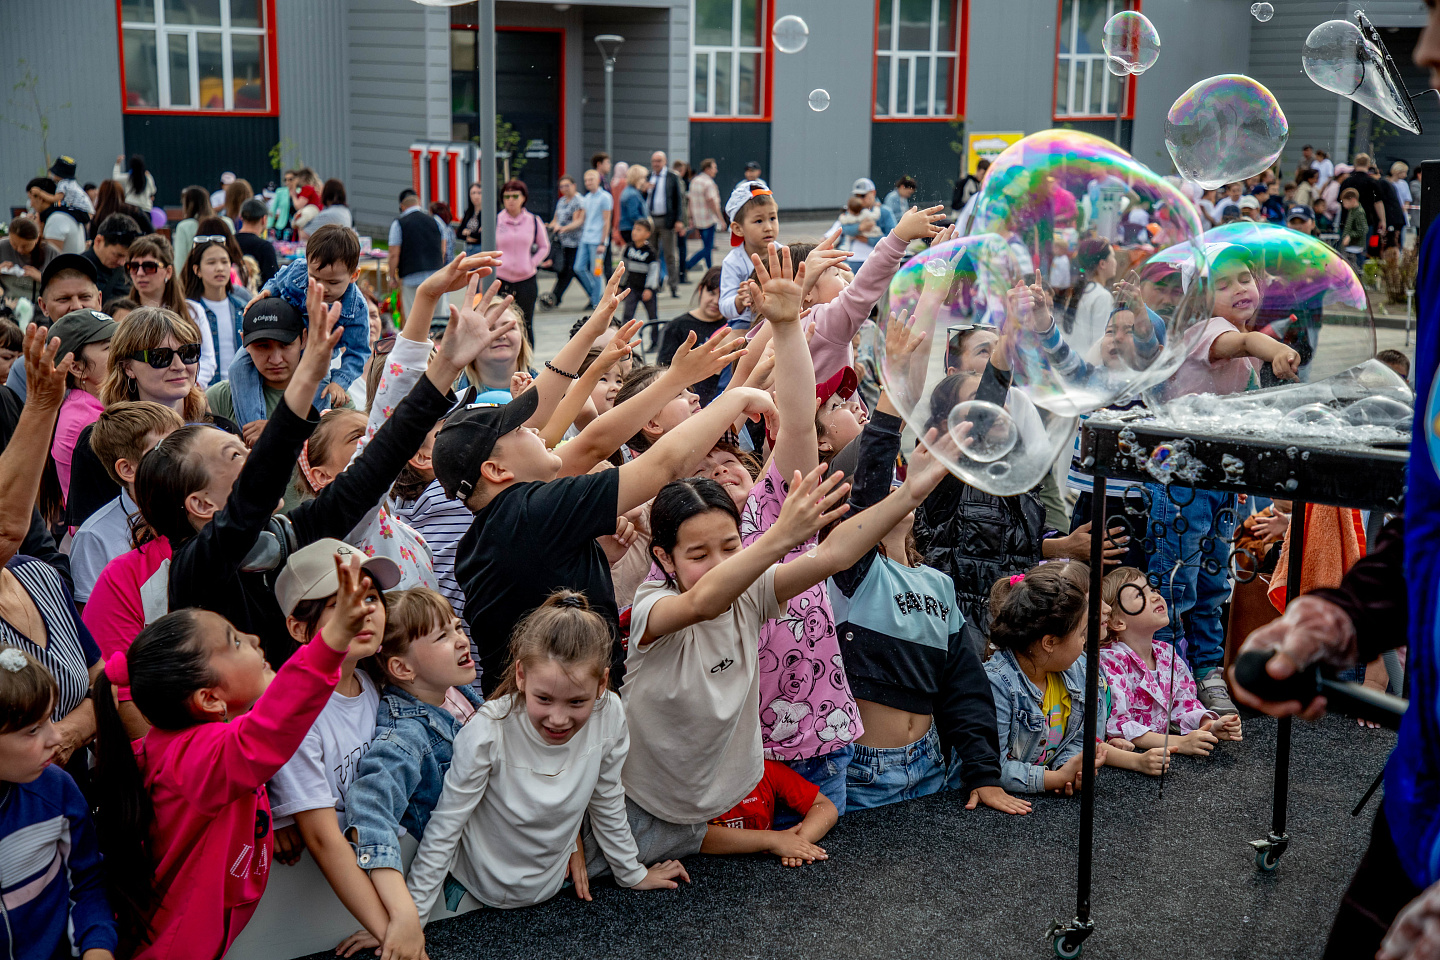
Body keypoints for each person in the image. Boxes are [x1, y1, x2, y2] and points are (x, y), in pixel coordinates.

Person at [90, 554, 374, 958]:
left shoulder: (182, 746)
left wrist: (276, 815)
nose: (256, 639)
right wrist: (331, 643)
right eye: (236, 641)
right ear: (209, 699)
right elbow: (271, 728)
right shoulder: (197, 758)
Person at [403, 591, 688, 943]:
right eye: (544, 699)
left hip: (552, 886)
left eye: (577, 702)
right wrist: (409, 919)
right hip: (482, 887)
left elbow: (607, 797)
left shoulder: (611, 712)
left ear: (601, 682)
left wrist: (631, 873)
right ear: (521, 675)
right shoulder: (487, 731)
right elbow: (447, 824)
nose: (558, 718)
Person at [828, 344, 1028, 815]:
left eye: (903, 485)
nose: (898, 489)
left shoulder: (937, 584)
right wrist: (893, 400)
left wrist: (984, 773)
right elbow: (867, 493)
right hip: (863, 774)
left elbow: (965, 687)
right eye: (888, 487)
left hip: (932, 765)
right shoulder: (852, 575)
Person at [1152, 243, 1300, 715]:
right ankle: (1169, 673)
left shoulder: (1234, 329)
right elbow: (1243, 344)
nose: (1239, 288)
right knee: (1179, 580)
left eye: (1244, 279)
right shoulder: (1206, 331)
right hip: (1183, 478)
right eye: (1222, 284)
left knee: (1215, 578)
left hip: (1217, 480)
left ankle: (1206, 670)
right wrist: (1274, 348)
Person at [265, 539, 398, 947]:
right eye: (341, 602)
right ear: (297, 627)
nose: (365, 610)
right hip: (307, 919)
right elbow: (322, 838)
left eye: (372, 596)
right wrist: (394, 931)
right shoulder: (296, 710)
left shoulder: (371, 680)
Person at [344, 587, 482, 945]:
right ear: (403, 668)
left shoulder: (455, 691)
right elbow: (371, 810)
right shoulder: (405, 735)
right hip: (456, 867)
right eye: (442, 636)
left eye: (456, 627)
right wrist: (396, 916)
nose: (460, 639)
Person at [0, 326, 105, 784]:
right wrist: (42, 405)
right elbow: (5, 528)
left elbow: (102, 678)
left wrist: (66, 735)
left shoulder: (39, 575)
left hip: (72, 801)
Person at [0, 645, 117, 960]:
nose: (55, 738)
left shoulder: (56, 789)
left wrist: (98, 945)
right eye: (34, 729)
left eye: (50, 719)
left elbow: (88, 881)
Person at [984, 561, 1110, 795]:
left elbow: (1080, 738)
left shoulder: (1078, 670)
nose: (1085, 642)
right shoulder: (997, 684)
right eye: (1082, 634)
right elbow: (989, 767)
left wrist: (1070, 769)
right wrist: (1053, 778)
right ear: (1049, 642)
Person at [1098, 567, 1242, 764]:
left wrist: (1210, 725)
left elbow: (1185, 703)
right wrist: (1179, 743)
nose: (1156, 596)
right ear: (1117, 622)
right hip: (1132, 759)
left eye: (1153, 590)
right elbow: (1118, 725)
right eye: (1140, 594)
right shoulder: (1111, 660)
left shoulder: (1166, 652)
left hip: (1160, 754)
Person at [238, 224, 370, 420]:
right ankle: (253, 424)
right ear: (307, 265)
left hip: (317, 355)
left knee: (321, 388)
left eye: (333, 282)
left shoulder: (356, 309)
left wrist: (340, 382)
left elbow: (358, 352)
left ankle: (310, 434)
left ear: (354, 275)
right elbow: (277, 281)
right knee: (238, 367)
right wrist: (267, 292)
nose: (321, 288)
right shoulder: (298, 270)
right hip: (280, 339)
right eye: (314, 278)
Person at [69, 402, 183, 607]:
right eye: (164, 450)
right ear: (127, 469)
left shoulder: (195, 511)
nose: (182, 457)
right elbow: (92, 620)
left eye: (183, 444)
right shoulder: (94, 536)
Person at [699, 759, 838, 867]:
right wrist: (773, 840)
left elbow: (825, 807)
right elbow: (691, 835)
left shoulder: (766, 769)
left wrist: (798, 843)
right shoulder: (694, 781)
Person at [6, 253, 105, 401]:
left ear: (99, 300)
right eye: (63, 299)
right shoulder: (27, 368)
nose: (77, 306)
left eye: (85, 297)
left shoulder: (123, 355)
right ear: (43, 306)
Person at [46, 309, 116, 508]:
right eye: (110, 347)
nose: (122, 351)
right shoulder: (88, 422)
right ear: (77, 368)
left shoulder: (92, 405)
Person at [124, 236, 218, 385]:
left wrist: (189, 386)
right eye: (133, 267)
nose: (140, 273)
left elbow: (207, 359)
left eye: (149, 266)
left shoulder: (192, 311)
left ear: (168, 271)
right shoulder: (122, 314)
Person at [182, 232, 250, 381]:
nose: (219, 268)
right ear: (197, 270)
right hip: (206, 390)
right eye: (211, 263)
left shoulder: (242, 307)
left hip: (239, 388)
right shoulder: (188, 311)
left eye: (224, 262)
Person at [658, 266, 726, 404]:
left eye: (723, 295)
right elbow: (662, 371)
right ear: (700, 289)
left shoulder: (731, 328)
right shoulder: (677, 327)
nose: (715, 301)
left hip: (722, 399)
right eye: (711, 292)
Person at [719, 179, 778, 329]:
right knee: (738, 343)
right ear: (738, 229)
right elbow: (724, 305)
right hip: (746, 323)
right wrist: (739, 300)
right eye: (759, 221)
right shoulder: (733, 262)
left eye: (773, 218)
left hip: (781, 317)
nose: (768, 227)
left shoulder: (785, 253)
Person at [492, 179, 549, 336]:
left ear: (524, 197)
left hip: (526, 278)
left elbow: (544, 246)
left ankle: (527, 359)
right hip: (501, 278)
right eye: (507, 196)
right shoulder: (496, 220)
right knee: (501, 321)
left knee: (526, 323)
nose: (510, 200)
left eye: (515, 196)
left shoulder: (533, 221)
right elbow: (488, 248)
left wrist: (532, 263)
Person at [388, 189, 448, 325]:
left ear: (402, 207)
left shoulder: (398, 224)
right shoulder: (436, 221)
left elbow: (393, 254)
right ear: (419, 203)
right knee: (438, 320)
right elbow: (443, 250)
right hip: (436, 276)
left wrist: (392, 277)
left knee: (413, 320)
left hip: (411, 278)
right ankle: (438, 345)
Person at [1055, 237, 1117, 353]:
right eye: (1113, 257)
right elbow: (1100, 343)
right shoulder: (1102, 296)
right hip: (1088, 365)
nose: (1115, 261)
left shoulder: (1078, 291)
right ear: (1102, 264)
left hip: (1075, 361)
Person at [540, 174, 582, 310]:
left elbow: (577, 221)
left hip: (575, 242)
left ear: (574, 185)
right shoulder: (561, 201)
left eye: (567, 185)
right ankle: (593, 294)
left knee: (569, 271)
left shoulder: (578, 201)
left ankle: (555, 297)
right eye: (562, 186)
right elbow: (555, 219)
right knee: (566, 270)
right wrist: (550, 227)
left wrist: (563, 228)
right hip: (562, 242)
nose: (564, 189)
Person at [575, 168, 614, 309]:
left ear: (598, 180)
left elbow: (607, 221)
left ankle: (596, 301)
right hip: (585, 239)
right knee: (578, 268)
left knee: (596, 271)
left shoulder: (605, 197)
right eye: (586, 180)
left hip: (598, 240)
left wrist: (603, 242)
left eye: (591, 179)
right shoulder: (587, 198)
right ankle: (596, 294)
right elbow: (582, 220)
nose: (588, 182)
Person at [648, 151, 685, 297]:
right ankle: (654, 284)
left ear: (665, 162)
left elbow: (679, 200)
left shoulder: (671, 177)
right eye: (654, 161)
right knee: (652, 254)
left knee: (670, 255)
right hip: (651, 220)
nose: (656, 164)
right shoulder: (648, 177)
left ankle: (674, 286)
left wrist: (679, 220)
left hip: (667, 220)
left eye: (659, 161)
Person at [85, 213, 143, 301]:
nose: (122, 262)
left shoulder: (132, 272)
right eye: (117, 255)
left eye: (127, 257)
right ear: (98, 241)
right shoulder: (77, 271)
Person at [0, 216, 57, 305]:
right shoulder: (2, 247)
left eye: (25, 246)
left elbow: (64, 286)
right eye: (14, 244)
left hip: (41, 310)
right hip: (9, 307)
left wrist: (41, 277)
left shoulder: (51, 253)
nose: (19, 250)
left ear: (37, 239)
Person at [27, 178, 85, 254]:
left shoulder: (56, 220)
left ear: (40, 198)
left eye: (30, 199)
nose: (31, 204)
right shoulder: (65, 213)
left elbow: (48, 258)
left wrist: (37, 232)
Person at [620, 216, 661, 324]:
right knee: (627, 316)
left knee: (653, 317)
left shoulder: (650, 252)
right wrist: (620, 285)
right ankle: (623, 340)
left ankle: (655, 339)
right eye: (634, 229)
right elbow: (623, 269)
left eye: (639, 230)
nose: (634, 232)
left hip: (646, 288)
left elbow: (653, 272)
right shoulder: (628, 249)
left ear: (647, 234)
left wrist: (649, 288)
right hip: (632, 288)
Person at [686, 158, 723, 275]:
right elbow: (712, 201)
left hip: (698, 219)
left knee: (707, 246)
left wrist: (690, 217)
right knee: (708, 247)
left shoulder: (694, 181)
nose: (716, 171)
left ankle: (709, 268)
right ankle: (688, 264)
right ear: (707, 169)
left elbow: (690, 201)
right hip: (708, 219)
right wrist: (721, 219)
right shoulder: (708, 183)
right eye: (714, 168)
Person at [1341, 154, 1387, 250]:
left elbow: (1340, 201)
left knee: (1344, 253)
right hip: (1367, 221)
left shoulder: (1347, 181)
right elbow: (1378, 203)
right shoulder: (1372, 182)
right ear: (1368, 165)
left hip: (1347, 222)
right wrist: (1382, 220)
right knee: (1361, 251)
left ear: (1355, 164)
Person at [88, 180, 151, 245]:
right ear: (121, 193)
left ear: (101, 195)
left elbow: (93, 239)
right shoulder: (134, 210)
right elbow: (150, 232)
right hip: (135, 249)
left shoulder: (98, 217)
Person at [236, 198, 280, 285]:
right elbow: (273, 282)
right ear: (264, 219)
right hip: (258, 297)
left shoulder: (230, 242)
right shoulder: (265, 247)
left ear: (241, 217)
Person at [171, 185, 215, 267]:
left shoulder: (184, 226)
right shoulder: (226, 223)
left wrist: (178, 279)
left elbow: (180, 259)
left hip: (191, 276)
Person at [1340, 187, 1370, 271]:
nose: (1344, 205)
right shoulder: (1352, 210)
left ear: (1353, 200)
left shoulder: (1359, 212)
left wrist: (1350, 236)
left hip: (1355, 248)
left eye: (1345, 202)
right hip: (1350, 247)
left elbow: (1363, 229)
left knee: (1356, 269)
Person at [457, 182, 484, 254]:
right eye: (473, 193)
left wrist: (468, 232)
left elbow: (482, 236)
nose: (476, 196)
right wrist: (471, 235)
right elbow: (459, 233)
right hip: (468, 249)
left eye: (479, 193)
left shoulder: (487, 214)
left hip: (481, 249)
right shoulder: (468, 212)